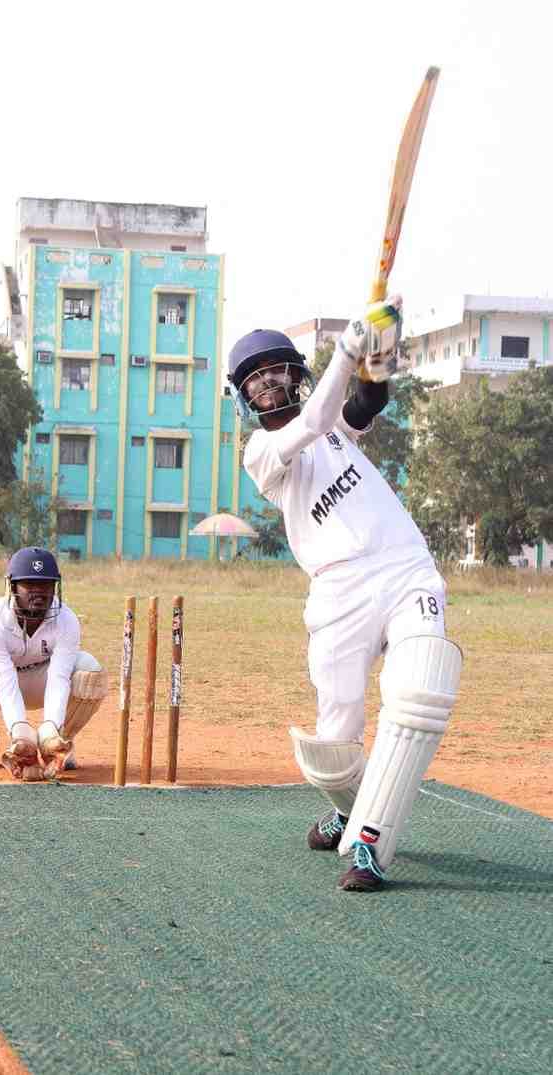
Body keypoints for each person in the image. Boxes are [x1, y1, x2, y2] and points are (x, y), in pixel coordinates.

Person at [227, 299, 462, 892]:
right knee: (333, 742)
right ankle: (346, 806)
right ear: (244, 397)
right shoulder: (260, 452)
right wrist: (347, 350)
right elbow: (313, 420)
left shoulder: (333, 421)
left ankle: (369, 844)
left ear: (295, 374)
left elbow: (366, 402)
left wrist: (377, 356)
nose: (269, 385)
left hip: (406, 567)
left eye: (277, 371)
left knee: (418, 689)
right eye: (256, 380)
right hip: (337, 590)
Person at [0, 546, 108, 781]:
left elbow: (59, 677)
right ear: (12, 586)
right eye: (29, 584)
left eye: (46, 585)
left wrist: (49, 730)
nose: (38, 592)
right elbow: (4, 680)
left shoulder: (66, 619)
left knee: (90, 672)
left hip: (42, 680)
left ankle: (60, 743)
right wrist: (21, 735)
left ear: (56, 586)